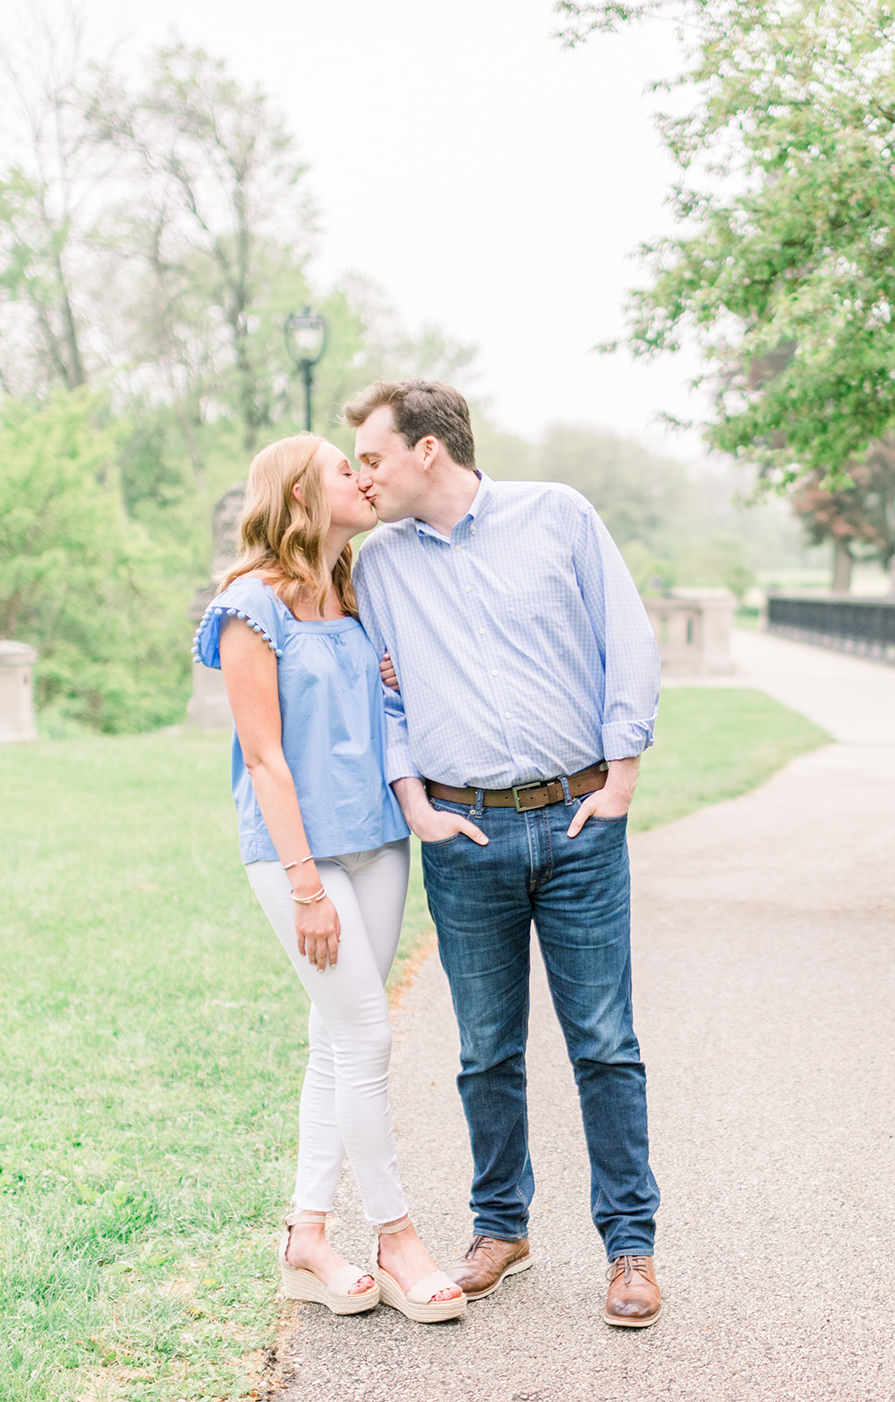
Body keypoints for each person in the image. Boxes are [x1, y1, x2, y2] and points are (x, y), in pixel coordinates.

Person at [347, 379, 666, 1328]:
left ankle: (633, 1249)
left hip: (577, 822)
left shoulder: (557, 516)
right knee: (486, 1049)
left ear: (429, 450)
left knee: (605, 1044)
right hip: (464, 832)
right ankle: (500, 1226)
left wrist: (621, 778)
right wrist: (415, 802)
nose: (365, 478)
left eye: (374, 457)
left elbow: (627, 637)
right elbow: (387, 701)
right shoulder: (379, 565)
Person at [192, 433, 466, 1324]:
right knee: (368, 1036)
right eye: (344, 470)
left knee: (334, 1040)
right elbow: (266, 760)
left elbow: (384, 706)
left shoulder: (354, 590)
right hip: (296, 856)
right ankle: (396, 1237)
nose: (363, 477)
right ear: (302, 496)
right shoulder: (248, 607)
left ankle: (305, 1236)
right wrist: (307, 887)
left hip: (380, 842)